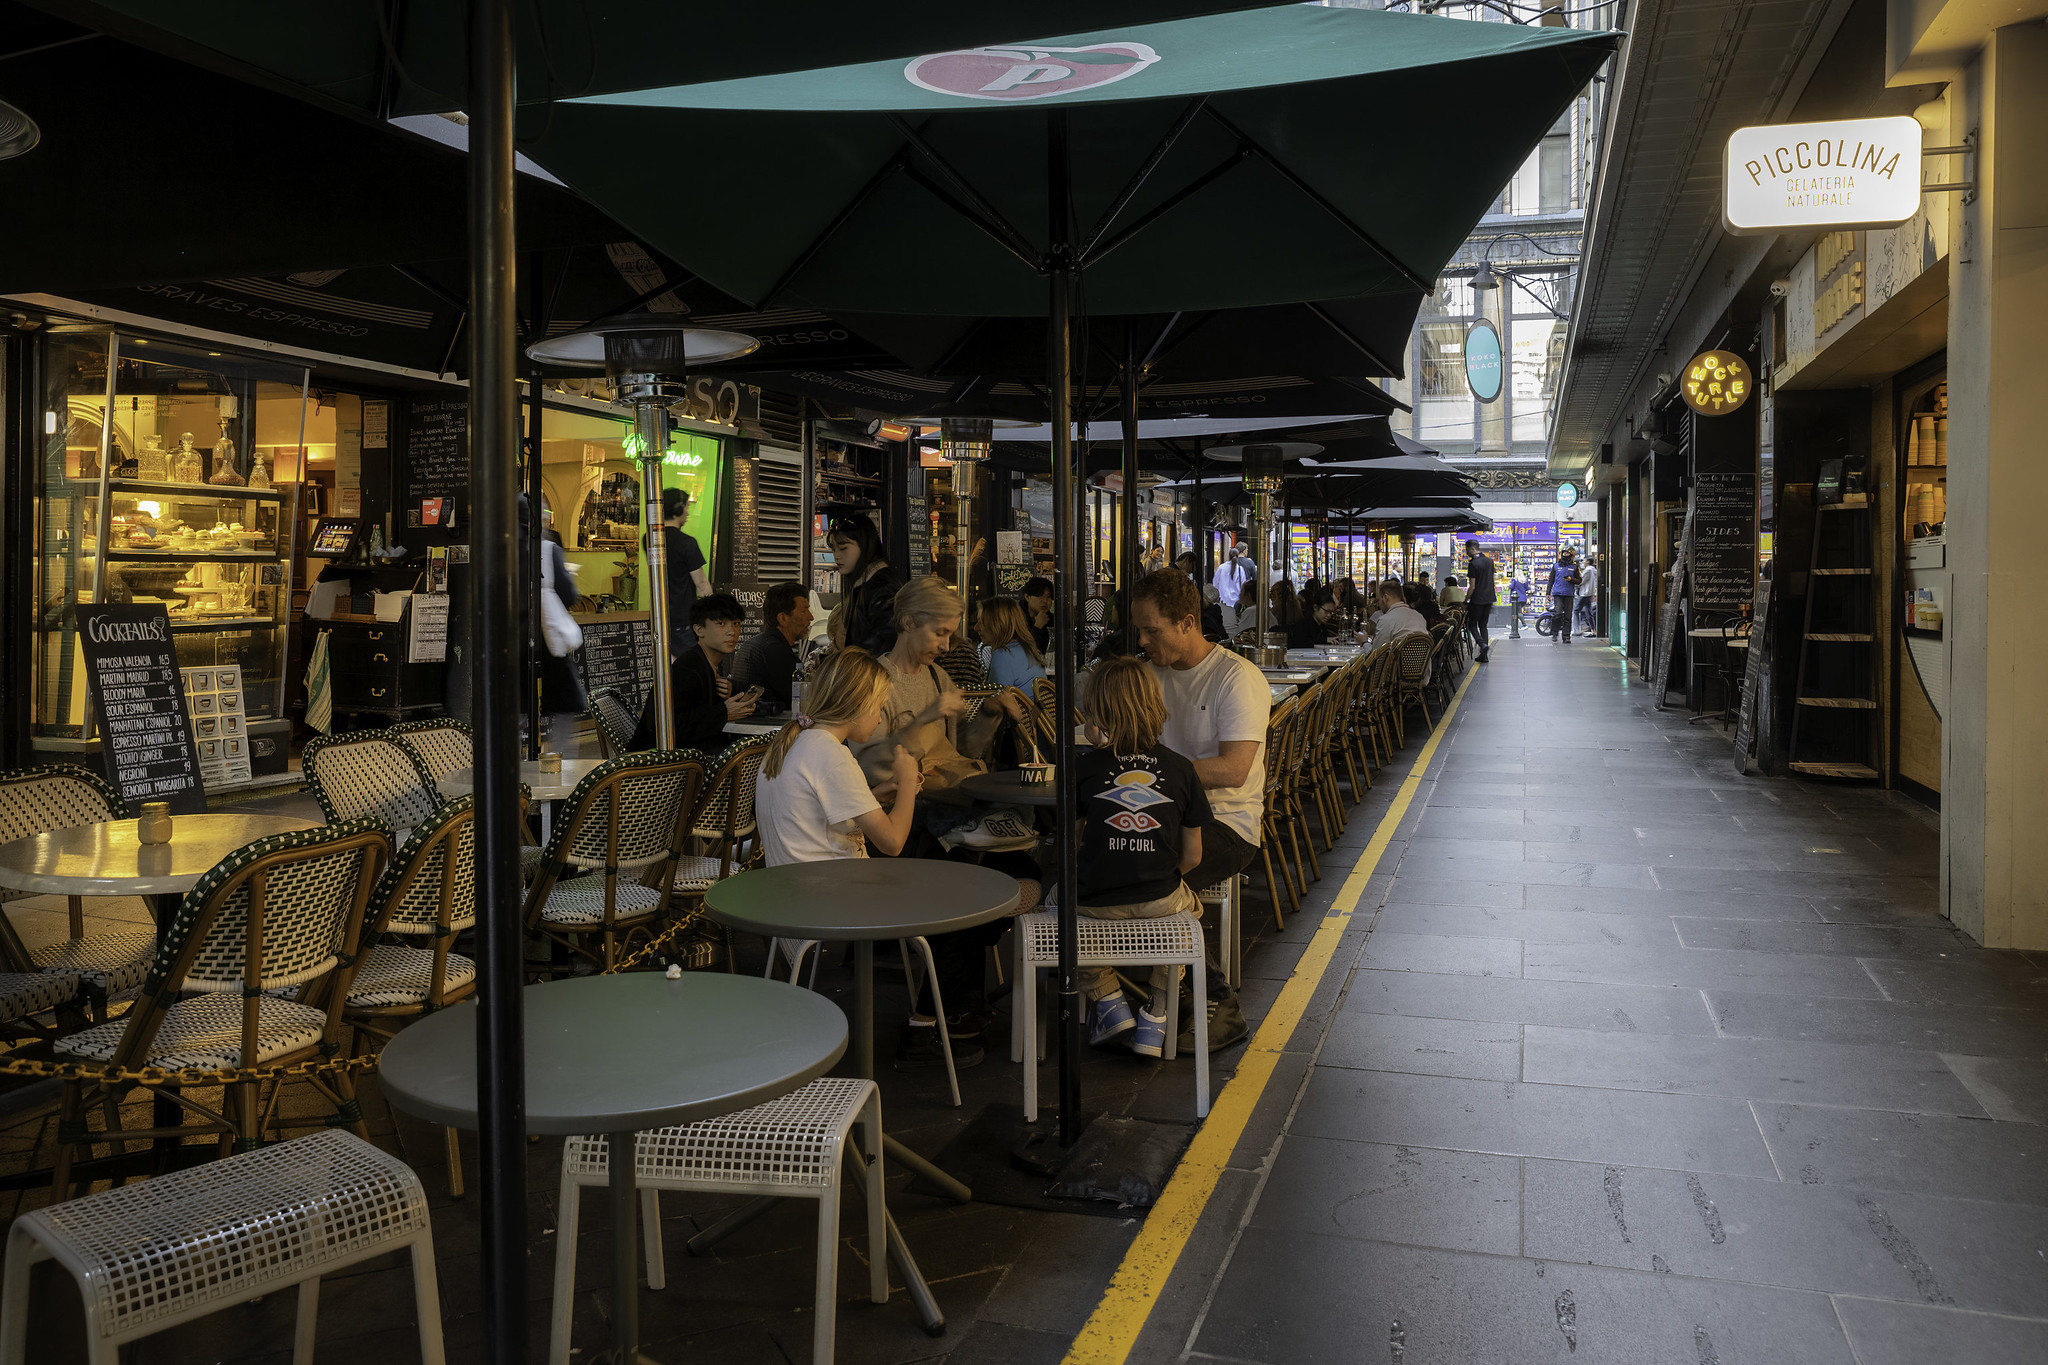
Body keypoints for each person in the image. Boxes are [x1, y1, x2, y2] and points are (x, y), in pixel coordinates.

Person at [848, 578, 1037, 1067]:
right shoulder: (877, 683)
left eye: (953, 635)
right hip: (904, 828)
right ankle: (934, 1017)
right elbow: (868, 764)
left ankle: (952, 1004)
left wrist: (991, 714)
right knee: (974, 892)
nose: (947, 645)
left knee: (1025, 873)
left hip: (951, 809)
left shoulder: (937, 677)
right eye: (940, 633)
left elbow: (963, 752)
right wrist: (927, 715)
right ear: (908, 623)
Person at [1130, 568, 1268, 1052]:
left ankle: (1216, 999)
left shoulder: (1236, 678)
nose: (1143, 640)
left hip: (1228, 823)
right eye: (1140, 630)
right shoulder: (1148, 675)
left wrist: (1153, 771)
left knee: (1149, 878)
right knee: (1103, 864)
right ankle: (1143, 992)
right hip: (1157, 815)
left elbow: (1233, 770)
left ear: (1188, 622)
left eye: (1152, 630)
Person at [1073, 655, 1211, 1055]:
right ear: (1156, 707)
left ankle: (1108, 1000)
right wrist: (1159, 873)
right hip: (1160, 901)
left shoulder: (1083, 768)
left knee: (1056, 904)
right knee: (1193, 911)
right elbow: (1194, 855)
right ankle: (1158, 1014)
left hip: (1096, 903)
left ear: (1098, 713)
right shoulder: (1183, 769)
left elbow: (1075, 842)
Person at [631, 593, 757, 753]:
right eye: (721, 624)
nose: (731, 631)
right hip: (661, 766)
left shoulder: (707, 662)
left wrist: (731, 694)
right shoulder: (688, 668)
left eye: (736, 624)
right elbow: (665, 724)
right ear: (699, 629)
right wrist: (723, 713)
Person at [522, 495, 587, 747]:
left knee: (519, 705)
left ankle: (515, 765)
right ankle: (558, 766)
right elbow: (568, 594)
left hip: (514, 640)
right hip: (547, 640)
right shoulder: (549, 550)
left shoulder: (503, 550)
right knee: (563, 708)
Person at [730, 580, 812, 714]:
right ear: (783, 618)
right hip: (765, 730)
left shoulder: (754, 644)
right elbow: (802, 700)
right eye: (804, 611)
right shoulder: (774, 651)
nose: (811, 617)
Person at [827, 515, 899, 656]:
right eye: (833, 549)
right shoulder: (864, 583)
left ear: (865, 545)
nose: (837, 556)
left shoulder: (882, 588)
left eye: (843, 548)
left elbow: (887, 648)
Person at [656, 486, 711, 636]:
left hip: (658, 616)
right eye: (686, 507)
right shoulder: (687, 543)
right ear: (678, 510)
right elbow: (701, 585)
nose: (687, 513)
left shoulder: (648, 540)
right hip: (683, 621)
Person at [974, 596, 1048, 688]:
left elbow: (996, 699)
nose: (976, 628)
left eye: (981, 622)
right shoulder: (1024, 649)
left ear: (997, 624)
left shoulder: (1003, 654)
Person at [1464, 541, 1497, 663]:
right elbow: (1493, 580)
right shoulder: (1489, 561)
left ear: (1472, 549)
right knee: (1483, 625)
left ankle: (1482, 645)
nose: (1466, 552)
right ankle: (1484, 655)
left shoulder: (1473, 564)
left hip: (1477, 599)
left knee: (1472, 625)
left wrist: (1466, 599)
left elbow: (1472, 586)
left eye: (1467, 550)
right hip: (1489, 598)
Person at [1214, 547, 1253, 636]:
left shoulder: (1221, 568)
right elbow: (1243, 584)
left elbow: (1215, 584)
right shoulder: (1240, 569)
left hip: (1223, 601)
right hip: (1236, 603)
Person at [1549, 548, 1581, 644]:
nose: (1565, 554)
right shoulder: (1555, 566)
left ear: (1571, 555)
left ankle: (1566, 636)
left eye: (1567, 553)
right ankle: (1554, 633)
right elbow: (1551, 580)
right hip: (1558, 593)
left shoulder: (1574, 567)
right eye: (1564, 553)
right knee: (1557, 613)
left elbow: (1579, 580)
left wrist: (1571, 579)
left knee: (1568, 616)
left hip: (1569, 594)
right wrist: (1547, 593)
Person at [1021, 576, 1055, 653]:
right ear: (1027, 597)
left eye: (1048, 597)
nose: (1045, 601)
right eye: (1040, 596)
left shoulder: (1052, 620)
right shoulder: (1016, 618)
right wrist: (1038, 626)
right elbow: (1026, 650)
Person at [1575, 556, 1601, 636]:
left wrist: (1575, 582)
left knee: (1576, 610)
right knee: (1588, 612)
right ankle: (1593, 631)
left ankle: (1577, 630)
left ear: (1588, 562)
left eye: (1585, 560)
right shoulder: (1594, 570)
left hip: (1584, 593)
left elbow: (1581, 581)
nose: (1583, 562)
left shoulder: (1588, 570)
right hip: (1590, 593)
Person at [1509, 571, 1528, 639]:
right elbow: (1527, 588)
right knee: (1516, 612)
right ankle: (1513, 625)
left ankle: (1524, 625)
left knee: (1517, 612)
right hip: (1523, 598)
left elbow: (1511, 587)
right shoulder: (1524, 580)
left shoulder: (1514, 580)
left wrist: (1510, 583)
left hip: (1517, 598)